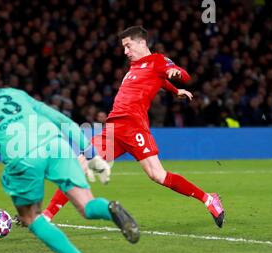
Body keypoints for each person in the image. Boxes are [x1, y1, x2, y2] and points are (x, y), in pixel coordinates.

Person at [0, 77, 140, 253]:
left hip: (23, 156)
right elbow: (63, 121)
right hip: (56, 145)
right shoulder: (14, 93)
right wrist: (91, 154)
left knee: (31, 217)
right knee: (87, 205)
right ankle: (110, 208)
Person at [43, 26, 225, 228]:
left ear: (141, 43)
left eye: (128, 46)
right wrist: (175, 90)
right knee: (78, 166)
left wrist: (177, 76)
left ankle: (209, 199)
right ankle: (46, 216)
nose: (125, 51)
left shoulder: (157, 61)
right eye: (123, 47)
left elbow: (183, 75)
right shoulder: (135, 67)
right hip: (113, 129)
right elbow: (156, 81)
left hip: (134, 127)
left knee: (158, 175)